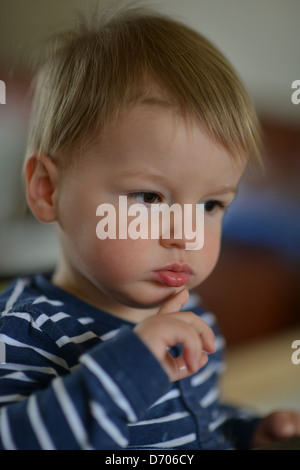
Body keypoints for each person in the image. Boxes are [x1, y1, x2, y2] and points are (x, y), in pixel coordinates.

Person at [0, 2, 299, 450]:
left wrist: (244, 431)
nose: (187, 233)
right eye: (149, 197)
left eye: (211, 204)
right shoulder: (22, 331)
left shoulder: (190, 314)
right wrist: (133, 363)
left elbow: (191, 420)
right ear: (48, 190)